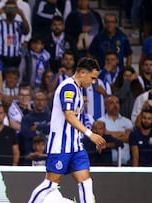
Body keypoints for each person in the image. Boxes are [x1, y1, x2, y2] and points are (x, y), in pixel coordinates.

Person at [28, 57, 106, 203]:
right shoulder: (68, 87)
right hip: (61, 145)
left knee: (86, 183)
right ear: (82, 73)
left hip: (75, 145)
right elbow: (69, 115)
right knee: (50, 184)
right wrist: (90, 134)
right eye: (92, 78)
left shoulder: (77, 89)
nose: (93, 82)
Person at [98, 95, 133, 166]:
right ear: (105, 106)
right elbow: (102, 138)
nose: (115, 105)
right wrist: (121, 133)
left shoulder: (127, 121)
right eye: (111, 103)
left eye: (117, 103)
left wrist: (109, 135)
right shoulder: (100, 121)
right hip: (106, 163)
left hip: (124, 162)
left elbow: (127, 138)